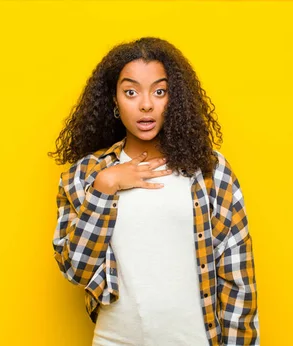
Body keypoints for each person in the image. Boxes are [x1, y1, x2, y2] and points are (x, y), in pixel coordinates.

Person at [48, 37, 260, 346]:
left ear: (174, 100)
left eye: (159, 91)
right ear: (114, 100)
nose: (146, 104)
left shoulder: (209, 170)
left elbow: (238, 278)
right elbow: (77, 270)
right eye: (131, 92)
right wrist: (104, 188)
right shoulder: (85, 176)